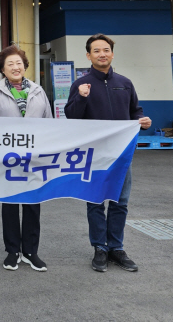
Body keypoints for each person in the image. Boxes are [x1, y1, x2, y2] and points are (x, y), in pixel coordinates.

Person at [64, 33, 151, 273]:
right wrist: (81, 97)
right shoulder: (81, 84)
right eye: (96, 51)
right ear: (88, 55)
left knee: (120, 202)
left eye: (106, 50)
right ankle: (99, 248)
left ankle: (116, 248)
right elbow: (71, 116)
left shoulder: (125, 83)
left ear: (112, 53)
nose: (102, 54)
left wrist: (142, 121)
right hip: (93, 155)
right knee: (95, 202)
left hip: (121, 155)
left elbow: (136, 111)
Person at [0, 45, 53, 272]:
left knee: (32, 204)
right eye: (9, 64)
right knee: (9, 205)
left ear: (25, 66)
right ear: (2, 69)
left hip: (34, 157)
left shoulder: (38, 91)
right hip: (7, 158)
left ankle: (31, 251)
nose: (15, 67)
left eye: (18, 63)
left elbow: (49, 122)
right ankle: (12, 251)